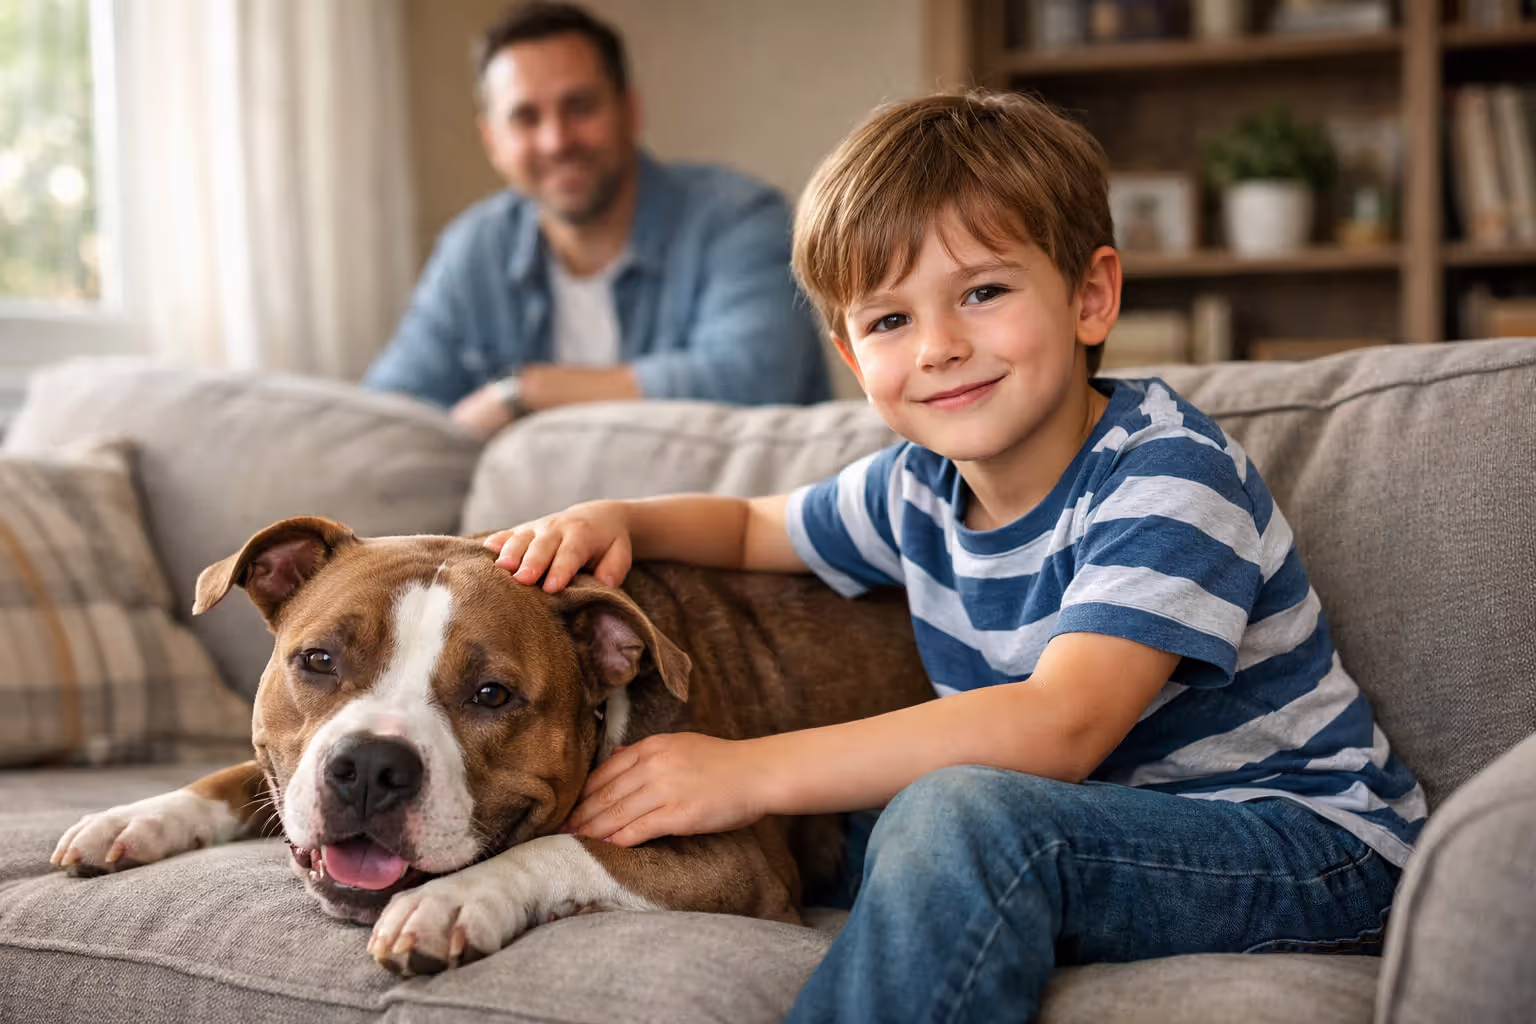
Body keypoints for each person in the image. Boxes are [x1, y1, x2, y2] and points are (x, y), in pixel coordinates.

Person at [480, 91, 1425, 1022]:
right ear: (853, 359)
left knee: (949, 817)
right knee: (846, 831)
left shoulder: (1168, 474)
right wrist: (621, 519)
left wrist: (746, 769)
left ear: (1090, 296)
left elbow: (1061, 726)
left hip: (1305, 851)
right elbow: (746, 529)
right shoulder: (917, 486)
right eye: (889, 320)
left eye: (983, 291)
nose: (939, 347)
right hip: (1095, 835)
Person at [364, 2, 830, 438]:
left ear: (630, 111)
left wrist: (522, 393)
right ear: (492, 141)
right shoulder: (473, 249)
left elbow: (753, 378)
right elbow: (388, 415)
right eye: (526, 117)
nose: (556, 141)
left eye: (580, 107)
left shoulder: (740, 217)